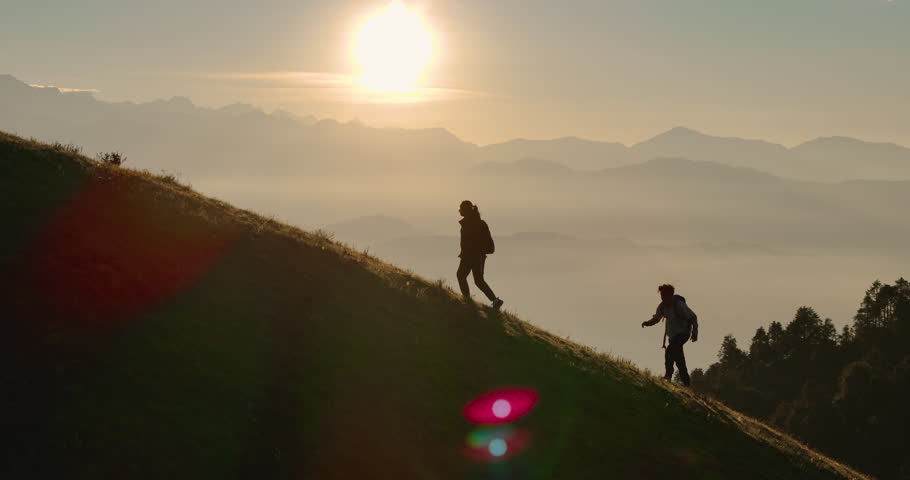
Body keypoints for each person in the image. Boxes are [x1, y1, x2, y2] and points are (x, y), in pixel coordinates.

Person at [641, 284, 698, 386]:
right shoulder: (662, 306)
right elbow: (656, 319)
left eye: (665, 295)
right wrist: (647, 323)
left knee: (669, 351)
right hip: (672, 336)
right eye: (662, 295)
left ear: (671, 295)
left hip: (683, 333)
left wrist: (695, 332)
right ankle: (687, 383)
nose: (663, 298)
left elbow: (693, 317)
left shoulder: (679, 305)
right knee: (679, 359)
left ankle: (668, 376)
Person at [457, 200, 504, 310]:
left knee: (461, 275)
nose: (459, 210)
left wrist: (466, 253)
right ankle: (495, 301)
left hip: (470, 255)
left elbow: (469, 242)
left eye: (461, 208)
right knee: (478, 280)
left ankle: (467, 300)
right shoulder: (478, 222)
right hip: (478, 256)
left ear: (466, 210)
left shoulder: (470, 223)